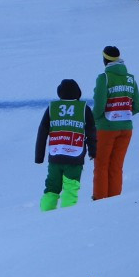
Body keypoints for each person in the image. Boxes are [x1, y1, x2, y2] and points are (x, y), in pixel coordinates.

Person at [35, 79, 96, 211]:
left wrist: (39, 156)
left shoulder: (52, 108)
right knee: (71, 188)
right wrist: (93, 151)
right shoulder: (84, 108)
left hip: (55, 156)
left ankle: (45, 214)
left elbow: (42, 131)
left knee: (51, 188)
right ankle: (66, 217)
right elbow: (91, 132)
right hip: (75, 156)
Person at [92, 46, 139, 200]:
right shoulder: (130, 78)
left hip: (106, 128)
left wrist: (93, 120)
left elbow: (99, 106)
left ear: (104, 59)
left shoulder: (104, 78)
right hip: (126, 129)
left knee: (101, 165)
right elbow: (138, 106)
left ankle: (100, 200)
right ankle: (114, 201)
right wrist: (123, 113)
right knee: (116, 166)